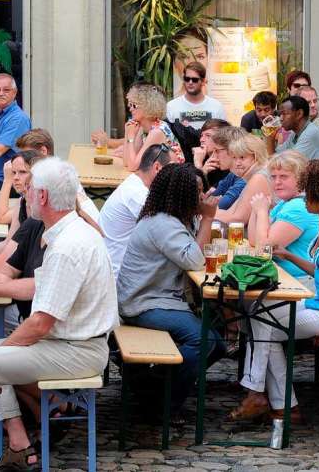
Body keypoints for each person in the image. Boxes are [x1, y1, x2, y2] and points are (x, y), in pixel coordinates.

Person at [0, 158, 117, 472]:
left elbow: (39, 324)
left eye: (28, 189)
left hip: (76, 351)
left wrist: (1, 354)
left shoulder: (67, 245)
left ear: (42, 197)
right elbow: (41, 283)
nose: (24, 195)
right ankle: (19, 444)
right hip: (75, 344)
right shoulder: (71, 231)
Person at [230, 159, 319, 424]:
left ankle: (260, 394)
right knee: (262, 314)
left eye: (310, 194)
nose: (305, 199)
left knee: (263, 322)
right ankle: (280, 405)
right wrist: (287, 256)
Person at [116, 163, 225, 421]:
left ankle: (154, 383)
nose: (202, 197)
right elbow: (195, 260)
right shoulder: (163, 224)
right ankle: (162, 404)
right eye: (196, 191)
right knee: (206, 340)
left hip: (156, 299)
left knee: (218, 344)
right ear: (181, 194)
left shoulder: (171, 218)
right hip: (143, 304)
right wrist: (209, 218)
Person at [99, 143, 173, 276]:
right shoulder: (138, 195)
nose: (175, 177)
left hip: (114, 271)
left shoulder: (135, 183)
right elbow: (168, 234)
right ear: (157, 167)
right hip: (119, 278)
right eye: (172, 171)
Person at [248, 151, 319, 285]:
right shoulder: (285, 202)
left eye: (284, 176)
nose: (277, 182)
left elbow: (263, 250)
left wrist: (262, 211)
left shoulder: (298, 207)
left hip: (300, 283)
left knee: (233, 295)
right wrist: (256, 210)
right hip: (283, 278)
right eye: (273, 177)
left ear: (301, 178)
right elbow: (254, 240)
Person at [0, 128, 55, 226]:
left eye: (27, 155)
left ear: (43, 151)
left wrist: (8, 180)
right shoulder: (37, 183)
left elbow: (2, 217)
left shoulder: (51, 184)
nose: (22, 159)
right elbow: (5, 215)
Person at [211, 129, 272, 224]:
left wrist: (203, 216)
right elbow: (230, 212)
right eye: (234, 158)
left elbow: (238, 219)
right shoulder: (251, 176)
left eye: (242, 157)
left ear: (255, 156)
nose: (237, 163)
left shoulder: (259, 177)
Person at [121, 83, 178, 172]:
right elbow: (126, 162)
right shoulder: (142, 127)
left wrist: (131, 137)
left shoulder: (157, 131)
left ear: (147, 106)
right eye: (130, 105)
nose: (130, 109)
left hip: (173, 180)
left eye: (134, 105)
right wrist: (127, 132)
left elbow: (133, 166)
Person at [267, 96, 319, 160]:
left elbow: (288, 165)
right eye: (280, 114)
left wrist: (270, 140)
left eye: (284, 114)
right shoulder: (294, 132)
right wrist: (271, 138)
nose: (281, 118)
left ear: (299, 114)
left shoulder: (311, 133)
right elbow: (277, 156)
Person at [166, 61, 226, 130]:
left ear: (203, 81)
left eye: (195, 80)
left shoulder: (216, 107)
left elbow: (224, 135)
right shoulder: (171, 106)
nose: (190, 82)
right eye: (187, 79)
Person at [192, 119, 230, 188]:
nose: (201, 140)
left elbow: (214, 195)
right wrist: (202, 171)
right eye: (201, 135)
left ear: (222, 140)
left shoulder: (228, 163)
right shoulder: (202, 157)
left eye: (208, 135)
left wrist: (198, 165)